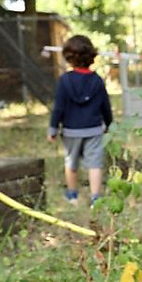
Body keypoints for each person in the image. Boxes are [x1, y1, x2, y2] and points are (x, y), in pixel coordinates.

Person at [47, 35, 112, 207]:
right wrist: (109, 124)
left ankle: (72, 195)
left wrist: (53, 128)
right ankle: (96, 198)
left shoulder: (65, 81)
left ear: (68, 57)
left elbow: (58, 107)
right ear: (91, 56)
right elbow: (105, 105)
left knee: (71, 162)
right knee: (95, 164)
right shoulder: (97, 81)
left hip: (71, 130)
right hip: (93, 129)